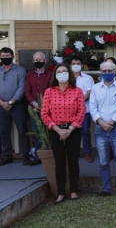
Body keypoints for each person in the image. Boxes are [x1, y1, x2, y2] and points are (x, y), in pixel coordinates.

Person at [41, 64, 86, 204]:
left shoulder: (77, 91)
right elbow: (44, 113)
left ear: (69, 74)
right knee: (59, 162)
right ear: (55, 75)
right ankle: (60, 192)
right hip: (56, 131)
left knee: (73, 161)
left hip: (73, 130)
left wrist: (69, 130)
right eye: (59, 72)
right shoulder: (49, 91)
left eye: (64, 71)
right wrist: (59, 130)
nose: (62, 74)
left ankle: (73, 190)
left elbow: (81, 111)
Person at [90, 61, 116, 196]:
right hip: (100, 130)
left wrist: (111, 122)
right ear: (101, 72)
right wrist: (101, 122)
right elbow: (92, 107)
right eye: (104, 71)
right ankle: (106, 188)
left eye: (109, 71)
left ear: (115, 72)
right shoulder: (95, 88)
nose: (107, 73)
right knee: (103, 162)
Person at [0, 47, 29, 166]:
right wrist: (1, 103)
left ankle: (26, 157)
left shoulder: (20, 70)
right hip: (1, 106)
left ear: (12, 57)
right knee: (3, 132)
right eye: (3, 56)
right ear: (0, 57)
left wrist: (12, 102)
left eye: (8, 56)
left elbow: (22, 87)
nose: (5, 58)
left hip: (17, 105)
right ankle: (7, 156)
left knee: (23, 131)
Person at [24, 51, 52, 165]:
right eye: (36, 60)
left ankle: (50, 154)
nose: (38, 61)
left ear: (45, 61)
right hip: (34, 108)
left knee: (49, 131)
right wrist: (34, 104)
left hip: (48, 108)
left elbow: (52, 90)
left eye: (40, 59)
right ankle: (38, 156)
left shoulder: (50, 74)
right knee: (36, 132)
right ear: (33, 61)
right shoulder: (30, 75)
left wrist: (44, 105)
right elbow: (27, 90)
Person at [70, 57, 95, 163]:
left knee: (85, 132)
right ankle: (73, 153)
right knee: (72, 132)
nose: (76, 64)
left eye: (78, 63)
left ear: (81, 65)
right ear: (70, 65)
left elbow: (89, 93)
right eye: (74, 63)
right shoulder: (66, 78)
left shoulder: (87, 78)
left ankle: (88, 152)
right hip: (70, 111)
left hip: (85, 110)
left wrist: (76, 103)